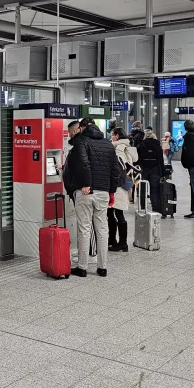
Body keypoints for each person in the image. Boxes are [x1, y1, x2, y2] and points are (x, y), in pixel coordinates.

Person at [63, 119, 119, 278]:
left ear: (82, 128)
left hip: (86, 192)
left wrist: (87, 184)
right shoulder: (107, 143)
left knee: (84, 229)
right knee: (102, 230)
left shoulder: (82, 141)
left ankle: (82, 267)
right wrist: (111, 191)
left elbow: (84, 163)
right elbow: (115, 170)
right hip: (103, 193)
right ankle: (102, 267)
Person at [109, 128, 138, 251]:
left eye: (112, 135)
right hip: (124, 185)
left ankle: (119, 242)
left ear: (117, 136)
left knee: (114, 214)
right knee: (117, 213)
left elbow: (117, 169)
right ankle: (119, 242)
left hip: (117, 186)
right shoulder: (128, 148)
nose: (111, 137)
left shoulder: (118, 149)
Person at [136, 129, 163, 212]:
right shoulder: (158, 145)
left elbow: (138, 159)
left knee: (143, 188)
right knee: (154, 190)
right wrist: (163, 172)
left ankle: (143, 207)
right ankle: (156, 208)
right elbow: (160, 160)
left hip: (144, 169)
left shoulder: (140, 145)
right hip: (155, 169)